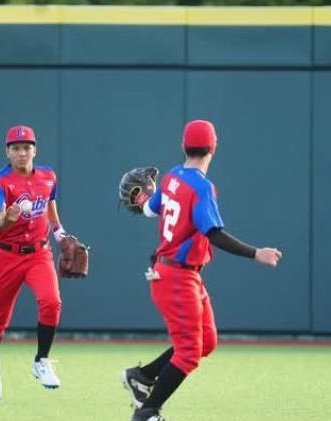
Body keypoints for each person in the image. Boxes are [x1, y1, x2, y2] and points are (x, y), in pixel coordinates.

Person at [121, 120, 283, 421]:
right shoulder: (201, 186)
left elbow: (148, 209)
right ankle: (147, 412)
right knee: (189, 352)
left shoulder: (171, 177)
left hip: (179, 274)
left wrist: (142, 198)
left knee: (205, 341)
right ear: (213, 148)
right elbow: (214, 234)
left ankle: (141, 377)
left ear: (183, 146)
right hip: (176, 277)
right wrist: (256, 253)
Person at [0, 125, 72, 402]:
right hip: (6, 254)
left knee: (51, 302)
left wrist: (61, 236)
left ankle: (41, 360)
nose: (22, 153)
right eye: (16, 148)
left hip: (37, 253)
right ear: (7, 152)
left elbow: (50, 209)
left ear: (35, 149)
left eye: (26, 147)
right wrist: (7, 218)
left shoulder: (48, 176)